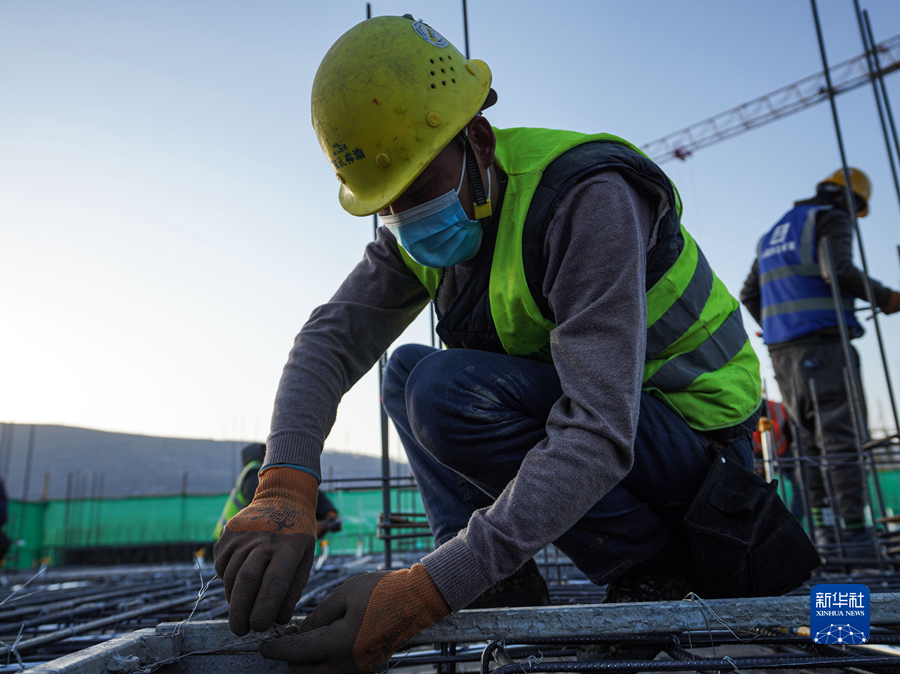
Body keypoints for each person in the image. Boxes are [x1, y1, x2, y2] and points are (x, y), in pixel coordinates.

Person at [214, 15, 767, 672]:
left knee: (444, 392)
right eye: (388, 204)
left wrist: (425, 591)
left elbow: (595, 434)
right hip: (629, 433)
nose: (406, 218)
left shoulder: (587, 199)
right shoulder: (419, 233)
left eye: (418, 187)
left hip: (703, 448)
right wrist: (285, 486)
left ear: (477, 139)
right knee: (407, 376)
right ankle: (499, 577)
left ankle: (655, 567)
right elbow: (327, 344)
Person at [740, 168, 900, 549]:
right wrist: (887, 298)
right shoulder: (831, 216)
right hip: (826, 349)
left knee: (808, 445)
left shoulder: (776, 231)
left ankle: (827, 533)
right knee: (842, 440)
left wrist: (780, 325)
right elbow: (839, 270)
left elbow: (749, 293)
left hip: (783, 356)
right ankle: (856, 535)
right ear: (851, 200)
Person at [212, 442, 341, 544]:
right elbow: (266, 512)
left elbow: (307, 490)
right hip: (231, 539)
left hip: (242, 537)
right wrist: (307, 528)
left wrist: (329, 514)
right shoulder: (254, 475)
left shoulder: (279, 473)